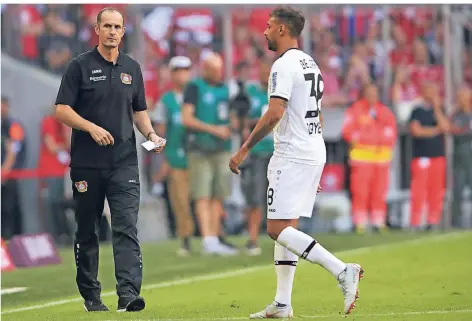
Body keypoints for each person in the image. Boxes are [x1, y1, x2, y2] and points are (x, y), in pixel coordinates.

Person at [229, 7, 363, 318]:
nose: (264, 31)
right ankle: (282, 303)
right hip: (311, 149)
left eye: (268, 25)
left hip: (292, 153)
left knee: (276, 228)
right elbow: (316, 111)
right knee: (287, 225)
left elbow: (275, 112)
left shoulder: (283, 65)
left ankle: (342, 270)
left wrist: (245, 148)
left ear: (282, 30)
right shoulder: (310, 63)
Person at [54, 7, 166, 313]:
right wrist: (90, 128)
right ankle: (91, 296)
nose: (112, 31)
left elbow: (139, 110)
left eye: (117, 26)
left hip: (124, 162)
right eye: (107, 26)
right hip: (87, 164)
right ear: (97, 29)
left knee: (126, 225)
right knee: (87, 229)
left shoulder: (133, 68)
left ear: (123, 31)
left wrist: (152, 135)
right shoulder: (79, 66)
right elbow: (61, 109)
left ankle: (128, 294)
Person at [181, 52, 238, 256]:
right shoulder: (194, 87)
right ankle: (207, 238)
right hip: (200, 149)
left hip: (221, 149)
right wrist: (214, 129)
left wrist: (233, 125)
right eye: (214, 69)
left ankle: (214, 237)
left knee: (218, 194)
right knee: (202, 194)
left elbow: (231, 115)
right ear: (205, 68)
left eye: (219, 69)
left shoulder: (226, 89)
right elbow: (187, 118)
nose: (218, 73)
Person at [153, 56, 195, 256]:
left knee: (208, 197)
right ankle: (185, 239)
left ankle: (214, 235)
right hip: (176, 157)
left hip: (199, 154)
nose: (182, 75)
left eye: (185, 70)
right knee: (181, 201)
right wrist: (160, 159)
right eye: (178, 71)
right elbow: (158, 132)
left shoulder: (197, 94)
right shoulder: (166, 100)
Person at [341, 84, 397, 234]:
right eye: (369, 93)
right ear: (363, 94)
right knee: (360, 191)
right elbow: (348, 132)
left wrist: (374, 138)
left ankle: (378, 221)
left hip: (381, 159)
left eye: (375, 93)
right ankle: (360, 222)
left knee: (379, 192)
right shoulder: (355, 111)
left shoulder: (384, 112)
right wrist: (368, 138)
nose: (373, 96)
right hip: (362, 158)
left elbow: (391, 132)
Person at [240, 59, 273, 256]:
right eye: (262, 71)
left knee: (283, 198)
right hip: (258, 151)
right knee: (255, 196)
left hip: (279, 151)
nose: (265, 76)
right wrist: (261, 122)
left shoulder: (279, 95)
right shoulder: (251, 94)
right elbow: (243, 121)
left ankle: (288, 239)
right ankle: (253, 238)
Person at [408, 82, 449, 231]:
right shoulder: (417, 110)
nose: (432, 93)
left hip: (437, 156)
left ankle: (433, 221)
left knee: (436, 191)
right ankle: (415, 221)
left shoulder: (438, 110)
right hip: (421, 157)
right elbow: (416, 131)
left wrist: (437, 108)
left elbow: (445, 127)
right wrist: (435, 130)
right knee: (418, 190)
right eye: (429, 90)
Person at [38, 105, 71, 245]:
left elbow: (70, 144)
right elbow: (51, 147)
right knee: (53, 203)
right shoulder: (48, 121)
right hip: (51, 170)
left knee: (61, 203)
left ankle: (65, 234)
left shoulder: (65, 124)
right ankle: (59, 235)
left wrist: (66, 129)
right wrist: (63, 145)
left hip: (64, 171)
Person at [1, 96, 26, 240]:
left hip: (11, 175)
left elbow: (13, 151)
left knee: (9, 207)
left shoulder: (13, 126)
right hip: (4, 173)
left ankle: (11, 238)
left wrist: (4, 171)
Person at [449, 86, 472, 228]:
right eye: (459, 97)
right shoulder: (456, 115)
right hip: (460, 159)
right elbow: (452, 130)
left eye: (463, 96)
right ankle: (456, 223)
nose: (460, 100)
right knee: (457, 191)